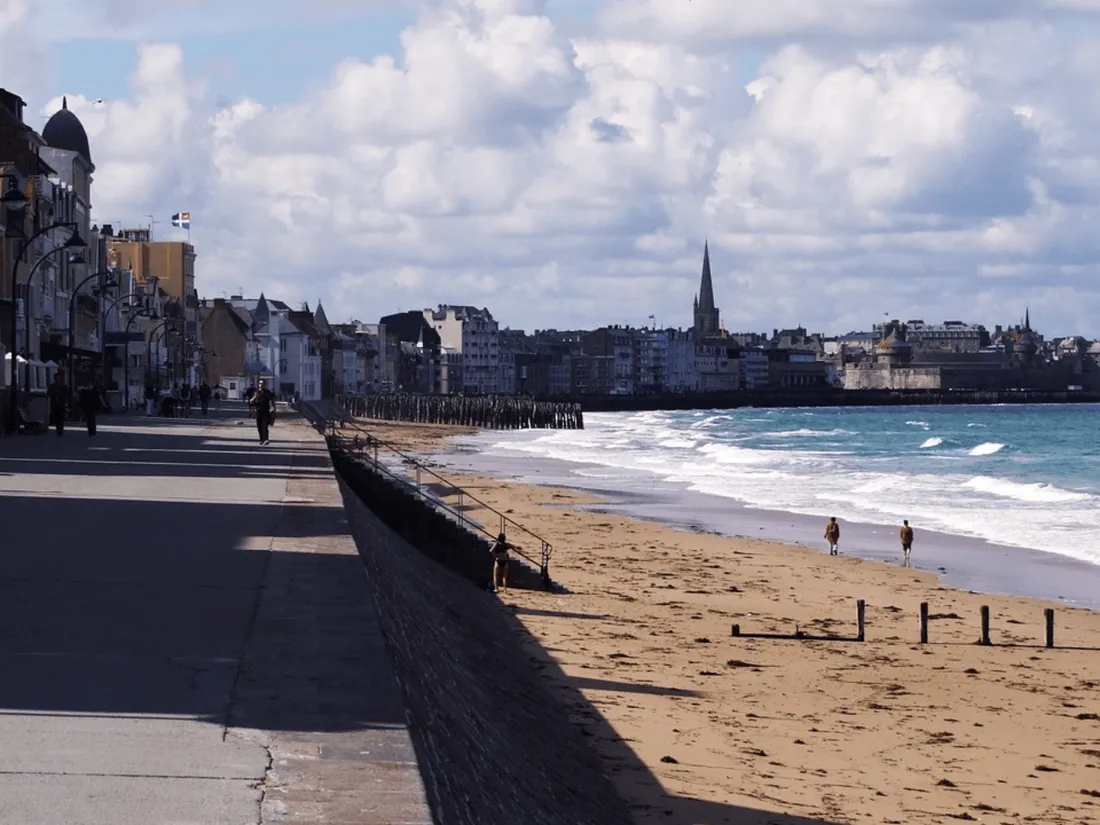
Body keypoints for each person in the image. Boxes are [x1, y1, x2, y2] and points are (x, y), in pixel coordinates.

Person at [253, 379, 276, 445]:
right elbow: (251, 401)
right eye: (260, 383)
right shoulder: (256, 392)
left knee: (264, 426)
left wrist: (274, 409)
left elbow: (272, 400)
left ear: (265, 385)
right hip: (258, 411)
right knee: (259, 426)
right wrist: (255, 397)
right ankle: (261, 439)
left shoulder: (267, 392)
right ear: (258, 385)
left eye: (262, 383)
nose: (261, 385)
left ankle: (266, 439)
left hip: (266, 411)